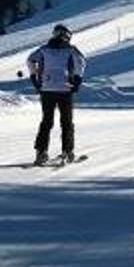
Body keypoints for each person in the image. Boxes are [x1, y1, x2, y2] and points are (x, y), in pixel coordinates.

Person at [27, 23, 87, 164]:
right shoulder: (71, 50)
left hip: (46, 89)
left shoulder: (43, 49)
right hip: (65, 89)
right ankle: (67, 151)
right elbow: (81, 62)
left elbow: (30, 60)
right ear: (67, 36)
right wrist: (77, 80)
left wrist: (34, 77)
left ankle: (41, 152)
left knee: (46, 121)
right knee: (66, 122)